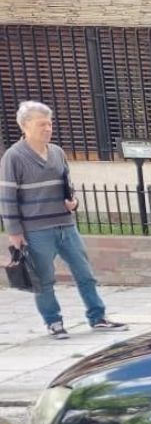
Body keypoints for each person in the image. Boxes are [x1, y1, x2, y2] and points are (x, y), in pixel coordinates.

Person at [1, 101, 126, 338]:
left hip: (66, 225)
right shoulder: (13, 157)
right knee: (44, 280)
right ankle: (54, 322)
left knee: (85, 274)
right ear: (25, 125)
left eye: (50, 123)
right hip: (36, 230)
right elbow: (7, 197)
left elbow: (67, 187)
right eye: (42, 124)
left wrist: (74, 203)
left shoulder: (57, 152)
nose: (48, 128)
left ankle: (98, 317)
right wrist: (14, 232)